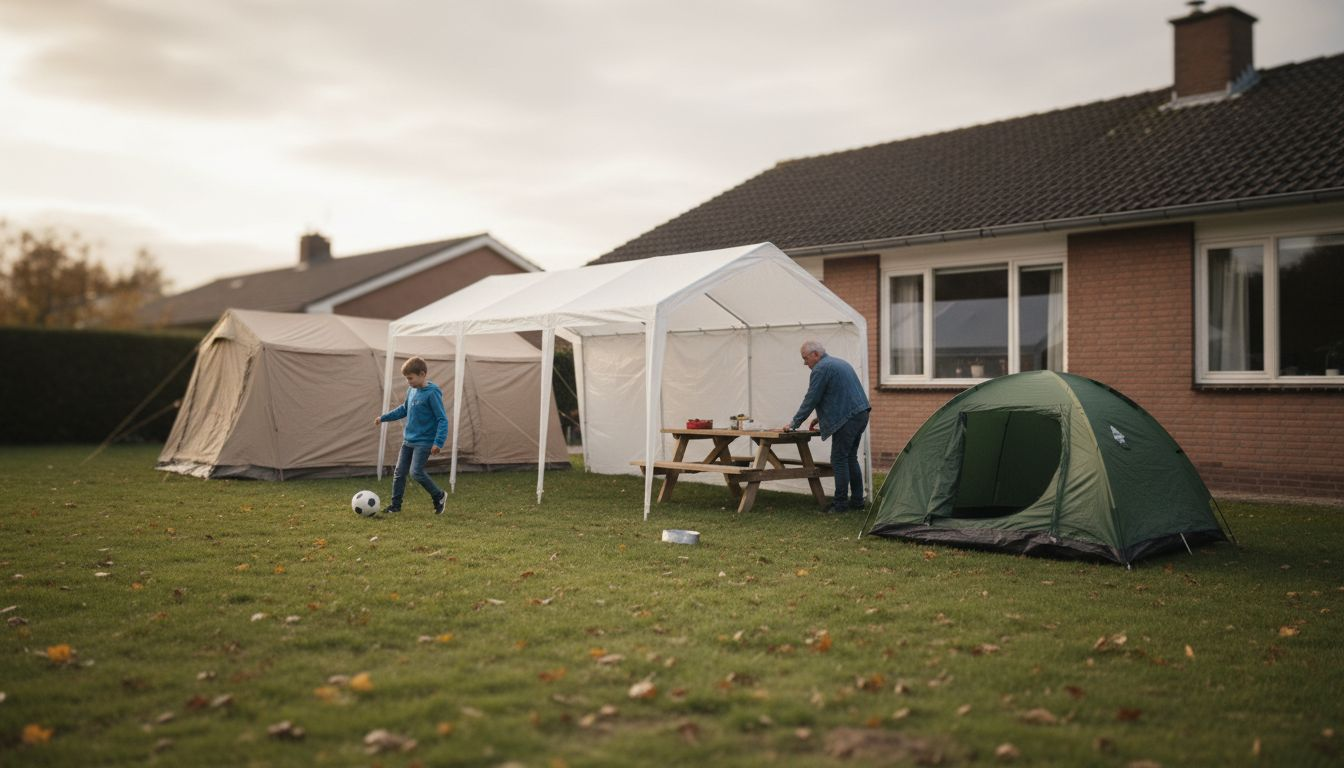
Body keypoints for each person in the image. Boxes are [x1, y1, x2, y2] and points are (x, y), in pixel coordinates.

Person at [783, 340, 871, 513]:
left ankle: (840, 505)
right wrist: (819, 418)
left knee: (838, 459)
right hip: (861, 413)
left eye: (805, 358)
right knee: (850, 457)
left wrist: (794, 423)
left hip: (849, 418)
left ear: (815, 354)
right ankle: (857, 502)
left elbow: (811, 399)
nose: (805, 363)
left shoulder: (821, 368)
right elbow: (840, 395)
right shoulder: (839, 363)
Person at [375, 356, 449, 515]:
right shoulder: (411, 390)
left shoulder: (432, 393)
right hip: (408, 440)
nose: (408, 382)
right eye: (406, 379)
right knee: (399, 472)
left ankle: (439, 495)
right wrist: (383, 418)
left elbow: (442, 419)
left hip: (424, 442)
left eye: (410, 378)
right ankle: (395, 506)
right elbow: (404, 409)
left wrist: (438, 442)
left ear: (422, 374)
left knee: (415, 472)